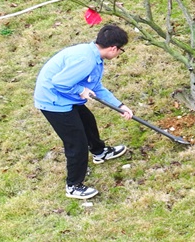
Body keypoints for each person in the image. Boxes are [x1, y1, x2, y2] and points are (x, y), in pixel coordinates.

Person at [34, 24, 133, 200]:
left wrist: (120, 106)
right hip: (53, 101)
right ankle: (73, 186)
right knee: (76, 143)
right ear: (112, 48)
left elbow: (96, 88)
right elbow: (59, 83)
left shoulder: (93, 56)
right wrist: (80, 90)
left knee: (88, 121)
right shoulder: (85, 60)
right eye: (120, 50)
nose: (119, 54)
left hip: (67, 97)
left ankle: (99, 152)